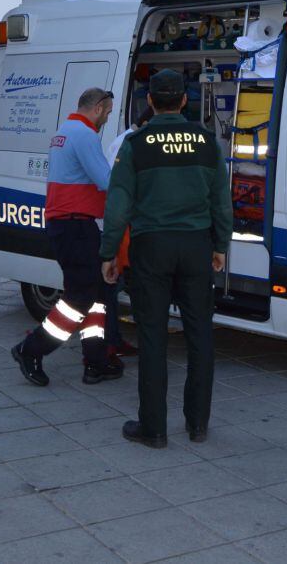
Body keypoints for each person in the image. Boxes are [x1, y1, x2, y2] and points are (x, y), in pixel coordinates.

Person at [100, 70, 232, 448]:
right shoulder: (207, 142)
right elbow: (221, 202)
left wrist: (108, 253)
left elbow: (118, 204)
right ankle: (198, 425)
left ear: (152, 102)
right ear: (185, 101)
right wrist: (220, 246)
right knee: (200, 336)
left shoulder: (137, 143)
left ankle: (154, 429)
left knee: (153, 337)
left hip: (150, 248)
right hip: (195, 246)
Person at [11, 88, 123, 387]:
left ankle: (95, 361)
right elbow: (107, 181)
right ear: (98, 108)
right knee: (79, 299)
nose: (107, 117)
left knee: (98, 298)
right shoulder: (84, 135)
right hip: (76, 227)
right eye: (108, 112)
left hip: (70, 225)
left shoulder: (64, 131)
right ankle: (30, 349)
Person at [100, 106, 154, 357]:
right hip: (126, 230)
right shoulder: (130, 145)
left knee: (119, 289)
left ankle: (112, 341)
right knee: (113, 288)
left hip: (128, 229)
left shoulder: (124, 141)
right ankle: (109, 342)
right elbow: (117, 193)